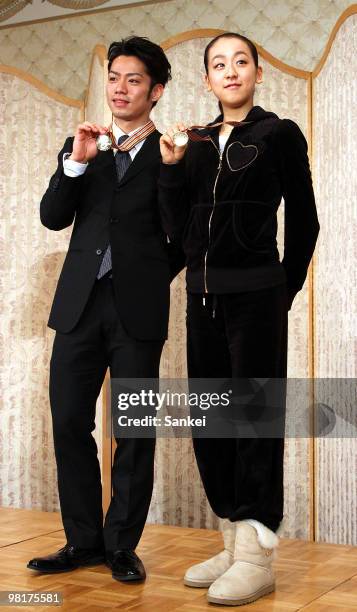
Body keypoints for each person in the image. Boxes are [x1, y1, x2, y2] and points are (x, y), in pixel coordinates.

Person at [159, 32, 319, 606]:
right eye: (218, 64)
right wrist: (173, 168)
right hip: (200, 300)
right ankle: (231, 543)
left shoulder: (279, 134)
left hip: (257, 299)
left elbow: (305, 221)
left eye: (241, 61)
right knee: (211, 422)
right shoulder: (196, 142)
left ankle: (257, 558)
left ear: (256, 72)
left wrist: (284, 292)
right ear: (206, 79)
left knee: (253, 421)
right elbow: (177, 230)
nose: (230, 71)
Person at [27, 36, 182, 583]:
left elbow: (183, 235)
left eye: (133, 79)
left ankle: (122, 545)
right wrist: (74, 163)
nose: (119, 87)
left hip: (137, 311)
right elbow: (51, 217)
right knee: (69, 421)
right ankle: (83, 542)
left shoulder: (174, 153)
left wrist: (146, 275)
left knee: (133, 429)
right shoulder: (83, 147)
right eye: (114, 77)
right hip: (78, 307)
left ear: (156, 90)